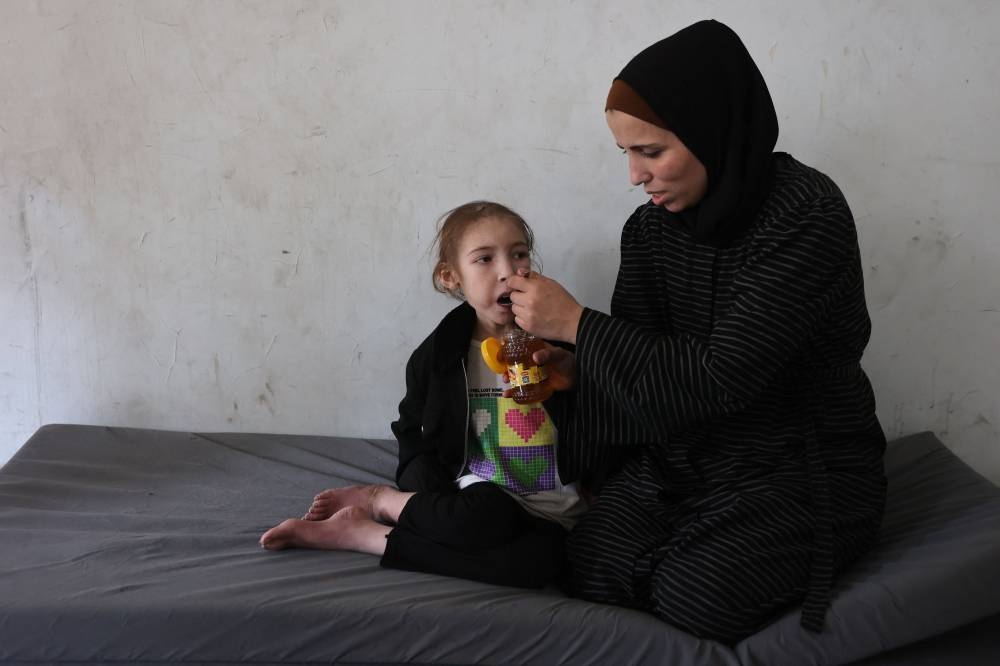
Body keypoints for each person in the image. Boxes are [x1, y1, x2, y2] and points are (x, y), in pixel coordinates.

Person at [505, 20, 887, 643]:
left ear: (714, 132)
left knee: (696, 594)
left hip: (799, 463)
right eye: (625, 153)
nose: (635, 175)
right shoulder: (650, 231)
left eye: (651, 152)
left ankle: (690, 559)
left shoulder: (806, 214)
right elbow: (641, 360)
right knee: (585, 560)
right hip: (685, 459)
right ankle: (679, 549)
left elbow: (721, 378)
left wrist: (577, 323)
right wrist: (575, 367)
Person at [260, 201, 585, 589]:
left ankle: (365, 534)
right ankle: (378, 502)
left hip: (553, 506)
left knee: (544, 565)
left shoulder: (561, 340)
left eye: (518, 254)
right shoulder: (439, 355)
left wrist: (575, 376)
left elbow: (601, 420)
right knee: (488, 516)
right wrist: (424, 484)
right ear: (451, 277)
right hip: (481, 497)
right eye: (484, 259)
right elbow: (413, 430)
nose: (508, 271)